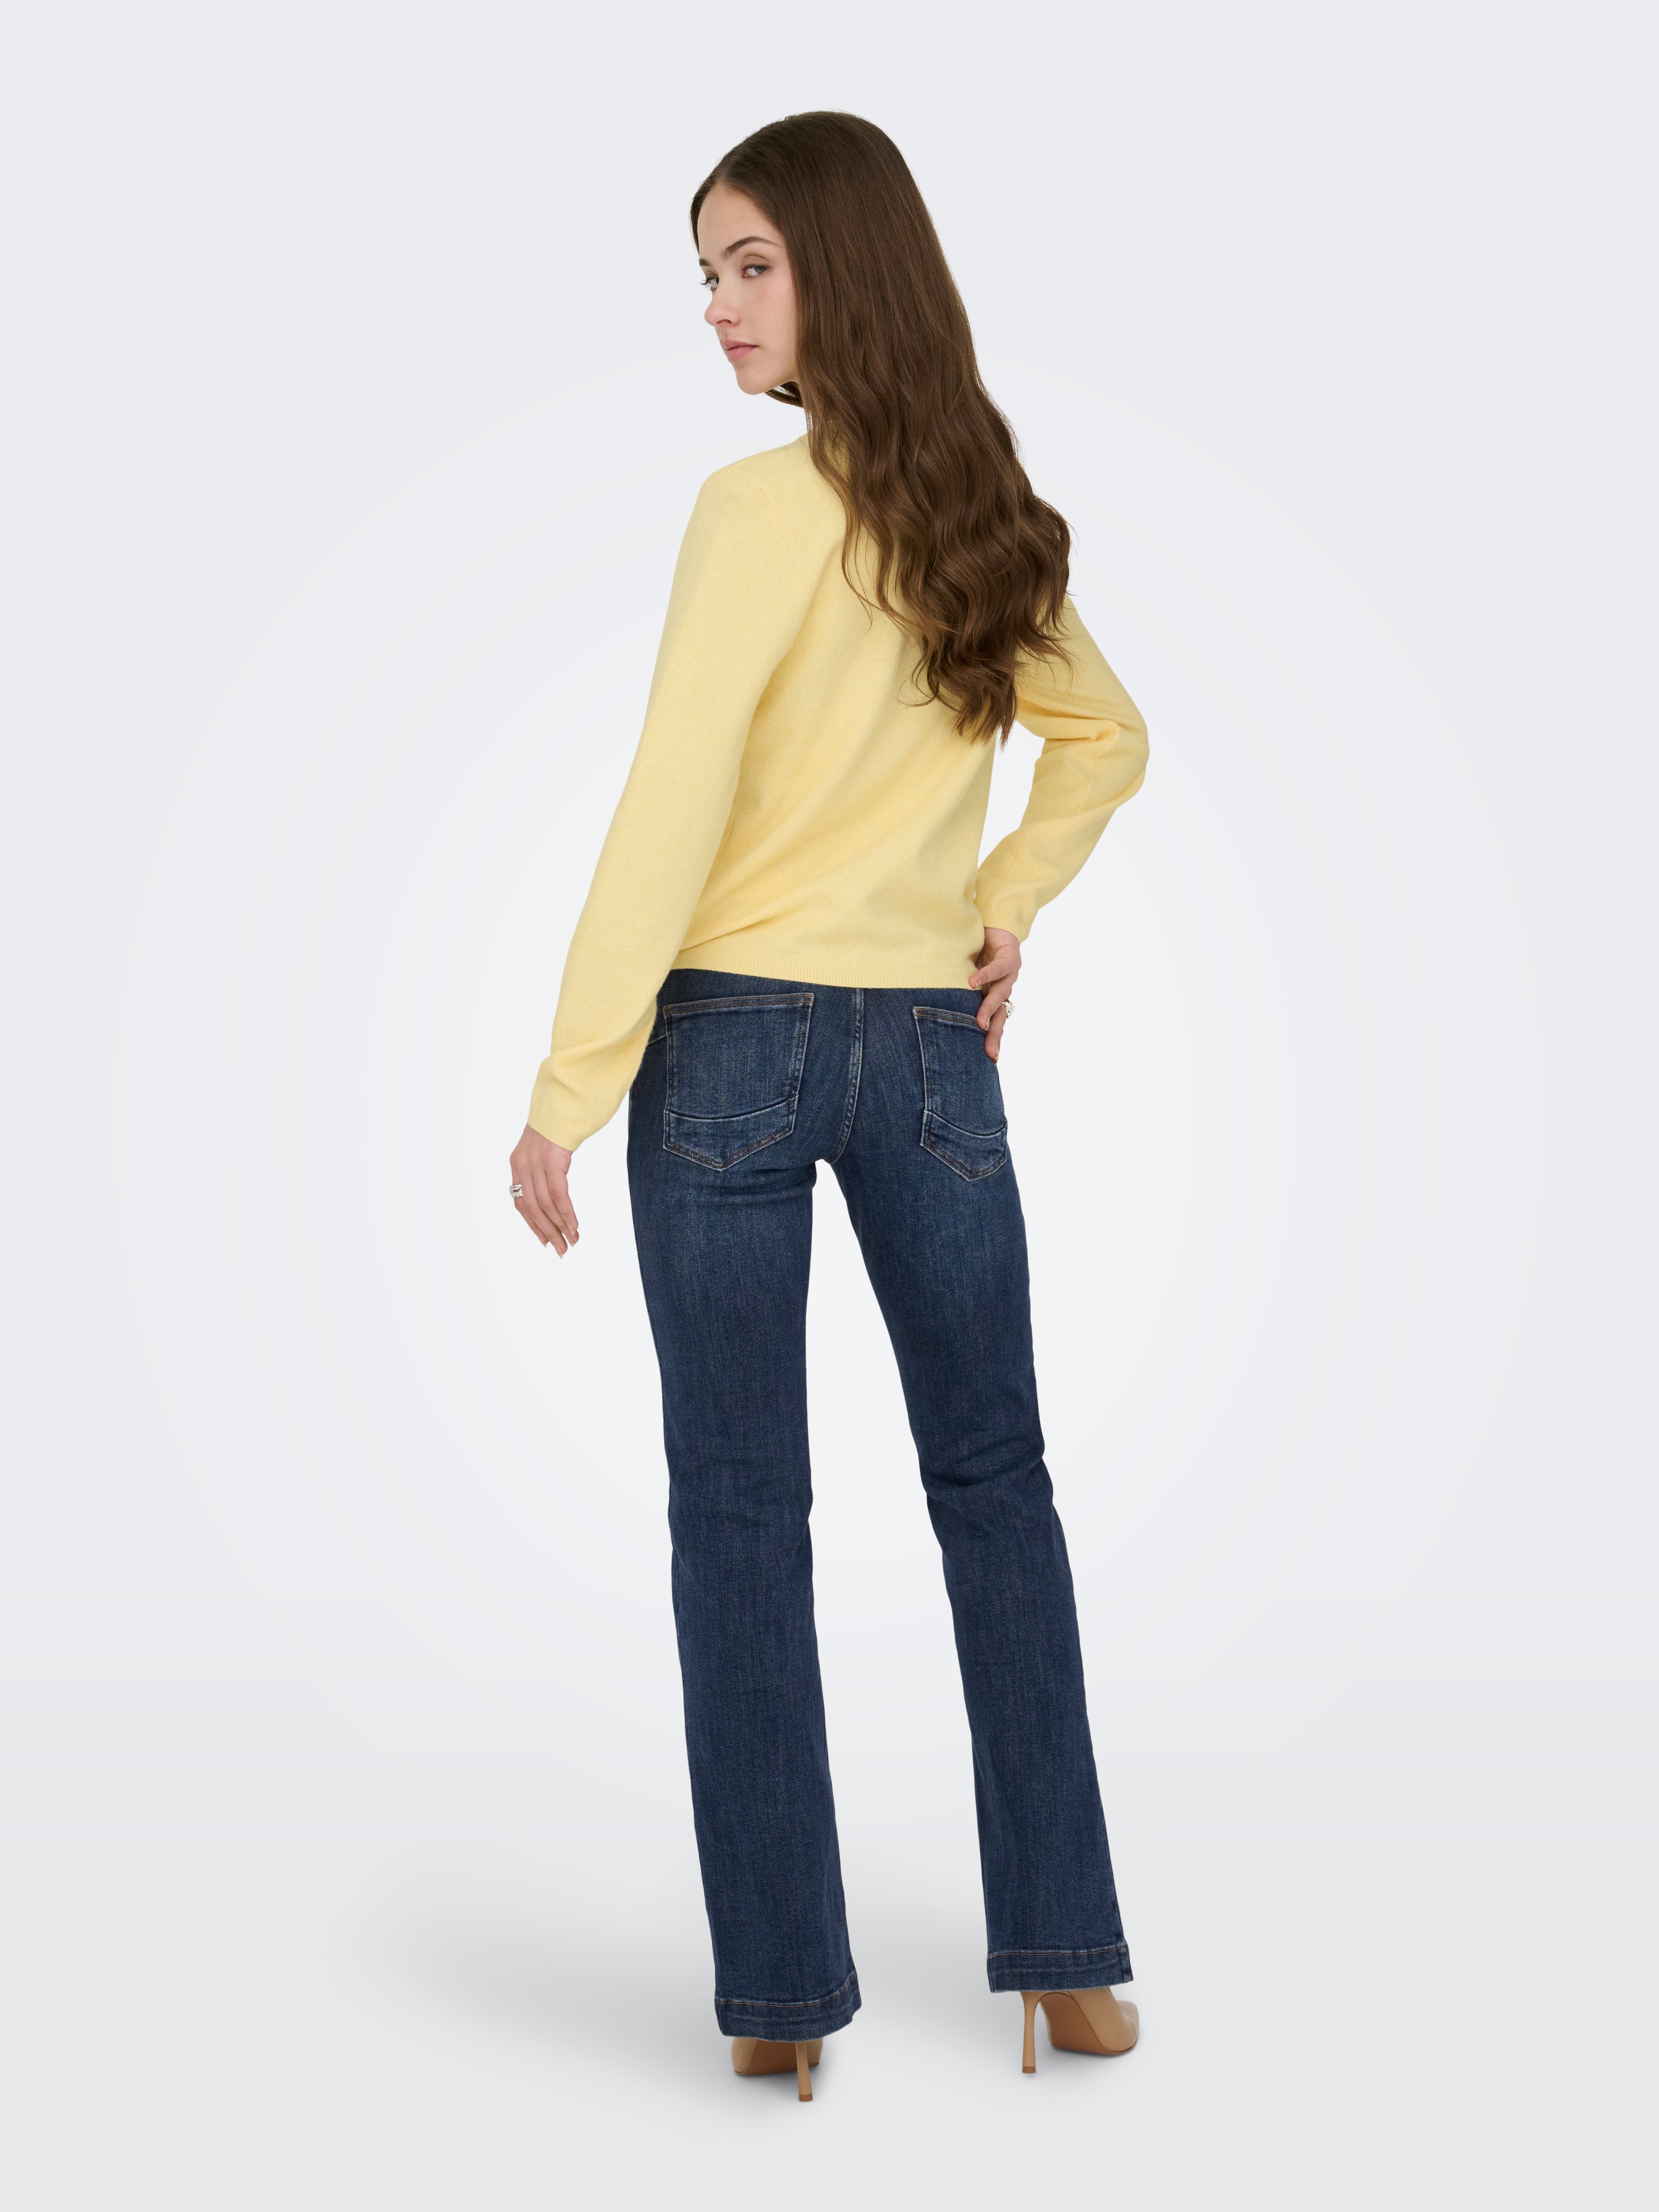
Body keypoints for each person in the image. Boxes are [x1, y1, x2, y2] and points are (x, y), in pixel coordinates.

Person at [509, 112, 1148, 2098]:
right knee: (997, 1485)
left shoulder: (753, 511)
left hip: (725, 1048)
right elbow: (1107, 738)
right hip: (927, 1052)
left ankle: (783, 1991)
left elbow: (674, 796)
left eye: (752, 265)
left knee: (738, 1508)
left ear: (844, 269)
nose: (717, 307)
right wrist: (997, 902)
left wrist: (567, 1084)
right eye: (707, 273)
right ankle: (1072, 1968)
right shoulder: (982, 517)